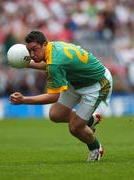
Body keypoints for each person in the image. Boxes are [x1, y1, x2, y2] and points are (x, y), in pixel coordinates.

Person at [10, 30, 113, 161]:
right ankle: (90, 120)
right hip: (77, 80)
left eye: (34, 49)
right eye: (29, 51)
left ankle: (96, 148)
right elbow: (50, 64)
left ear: (44, 45)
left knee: (75, 127)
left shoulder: (55, 63)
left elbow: (53, 96)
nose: (32, 54)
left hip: (97, 84)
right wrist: (25, 63)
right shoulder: (52, 47)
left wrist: (24, 100)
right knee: (56, 115)